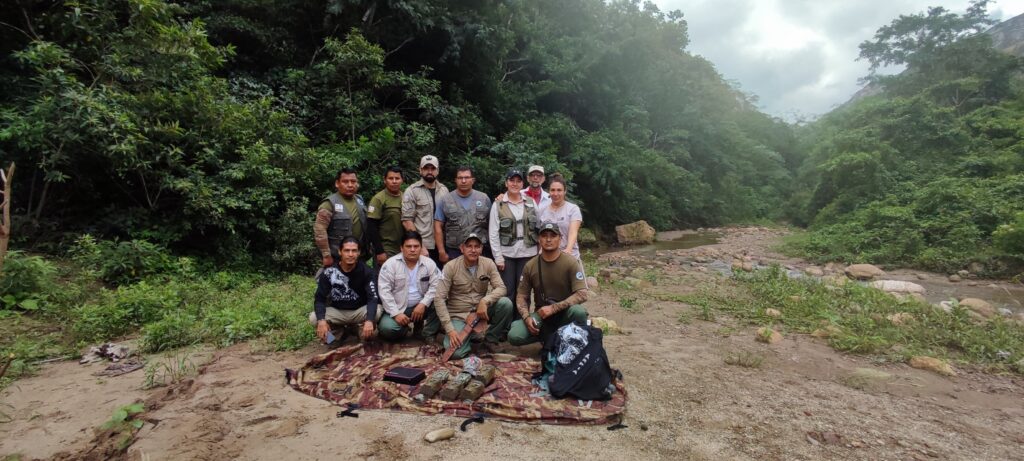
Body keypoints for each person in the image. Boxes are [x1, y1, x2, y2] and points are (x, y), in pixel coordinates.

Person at [434, 233, 514, 360]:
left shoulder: (488, 263)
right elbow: (439, 298)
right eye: (469, 246)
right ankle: (467, 335)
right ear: (462, 248)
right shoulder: (450, 266)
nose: (473, 250)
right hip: (459, 314)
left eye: (477, 246)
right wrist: (450, 329)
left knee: (506, 303)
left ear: (481, 249)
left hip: (480, 311)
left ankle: (490, 340)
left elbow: (501, 288)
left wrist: (485, 300)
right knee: (456, 354)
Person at [508, 222, 589, 346]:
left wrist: (554, 308)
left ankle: (568, 339)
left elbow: (582, 294)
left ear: (560, 239)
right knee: (514, 335)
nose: (548, 239)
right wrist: (526, 317)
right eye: (544, 236)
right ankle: (547, 337)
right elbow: (521, 296)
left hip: (565, 313)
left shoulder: (571, 262)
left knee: (578, 312)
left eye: (553, 236)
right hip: (542, 315)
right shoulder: (531, 265)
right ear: (539, 239)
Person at [308, 237, 381, 346]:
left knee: (377, 312)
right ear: (340, 252)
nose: (350, 254)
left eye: (354, 251)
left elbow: (372, 298)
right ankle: (337, 335)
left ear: (359, 253)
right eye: (347, 250)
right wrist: (322, 320)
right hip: (338, 311)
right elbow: (319, 299)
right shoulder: (329, 272)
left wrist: (369, 320)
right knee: (315, 318)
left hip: (359, 311)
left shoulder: (367, 272)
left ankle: (359, 329)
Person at [488, 169, 539, 315]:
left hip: (528, 254)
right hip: (507, 255)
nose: (515, 184)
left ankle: (522, 321)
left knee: (523, 292)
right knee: (507, 291)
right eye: (512, 180)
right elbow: (493, 233)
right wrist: (498, 257)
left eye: (518, 181)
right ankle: (505, 325)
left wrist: (539, 252)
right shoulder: (498, 204)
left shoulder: (530, 202)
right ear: (506, 182)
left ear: (523, 183)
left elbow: (539, 226)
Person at [377, 231, 442, 342]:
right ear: (401, 248)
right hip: (399, 307)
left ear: (421, 248)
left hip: (422, 307)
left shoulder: (429, 263)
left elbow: (437, 286)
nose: (412, 249)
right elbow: (384, 292)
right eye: (408, 246)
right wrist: (396, 314)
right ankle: (404, 328)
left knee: (441, 301)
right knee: (387, 329)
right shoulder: (390, 264)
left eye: (416, 246)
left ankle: (427, 333)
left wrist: (423, 303)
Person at [434, 166, 491, 264]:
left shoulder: (484, 198)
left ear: (473, 180)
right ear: (456, 180)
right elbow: (437, 226)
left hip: (479, 251)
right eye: (460, 178)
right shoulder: (445, 200)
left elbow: (492, 225)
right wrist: (441, 251)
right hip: (454, 251)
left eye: (467, 177)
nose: (463, 181)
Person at [314, 168, 369, 267]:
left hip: (358, 256)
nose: (350, 185)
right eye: (345, 181)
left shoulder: (359, 200)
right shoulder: (329, 203)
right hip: (337, 258)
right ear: (337, 183)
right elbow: (319, 231)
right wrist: (326, 255)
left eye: (353, 181)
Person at [402, 155, 449, 265]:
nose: (429, 171)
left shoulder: (444, 190)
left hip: (442, 245)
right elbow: (407, 221)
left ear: (437, 171)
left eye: (432, 168)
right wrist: (420, 246)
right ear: (420, 170)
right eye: (426, 168)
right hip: (423, 245)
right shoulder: (412, 191)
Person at [537, 174, 583, 259]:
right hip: (548, 257)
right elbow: (540, 234)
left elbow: (573, 232)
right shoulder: (542, 210)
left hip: (569, 257)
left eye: (559, 190)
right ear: (549, 192)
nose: (555, 193)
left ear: (565, 191)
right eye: (552, 190)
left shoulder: (573, 209)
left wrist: (568, 250)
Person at [367, 166, 405, 266]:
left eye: (397, 178)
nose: (394, 181)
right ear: (385, 180)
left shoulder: (406, 197)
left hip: (403, 248)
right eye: (391, 178)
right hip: (386, 248)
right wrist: (379, 251)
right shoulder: (378, 199)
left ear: (402, 180)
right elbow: (371, 226)